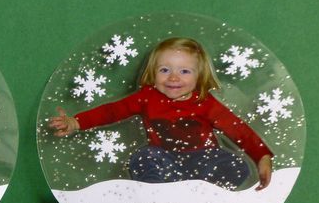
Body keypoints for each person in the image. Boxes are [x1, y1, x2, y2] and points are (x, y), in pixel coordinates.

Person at [49, 37, 273, 191]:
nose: (173, 78)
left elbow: (237, 129)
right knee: (144, 156)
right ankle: (158, 193)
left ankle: (204, 193)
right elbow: (111, 111)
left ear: (199, 76)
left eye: (184, 71)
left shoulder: (205, 102)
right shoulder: (147, 97)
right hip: (166, 160)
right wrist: (76, 122)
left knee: (235, 164)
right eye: (165, 70)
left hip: (203, 159)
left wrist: (261, 156)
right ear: (152, 72)